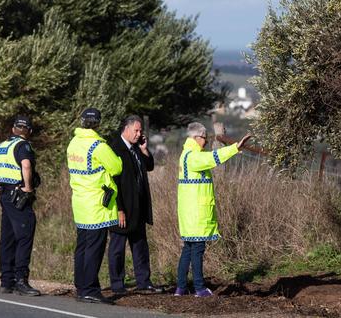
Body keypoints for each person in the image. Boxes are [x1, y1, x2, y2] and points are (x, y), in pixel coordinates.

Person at [174, 122, 251, 297]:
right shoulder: (193, 157)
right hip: (196, 214)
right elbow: (212, 158)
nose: (206, 142)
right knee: (197, 250)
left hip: (190, 213)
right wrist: (235, 148)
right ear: (195, 137)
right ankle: (200, 288)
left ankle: (181, 287)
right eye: (204, 138)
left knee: (188, 249)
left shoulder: (187, 155)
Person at [67, 108, 122, 305]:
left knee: (82, 247)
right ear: (98, 124)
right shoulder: (98, 145)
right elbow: (116, 167)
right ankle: (89, 289)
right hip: (96, 205)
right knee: (94, 249)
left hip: (80, 202)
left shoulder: (73, 143)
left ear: (82, 122)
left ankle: (81, 286)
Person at [107, 115, 163, 295]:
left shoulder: (136, 148)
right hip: (122, 208)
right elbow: (113, 181)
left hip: (138, 206)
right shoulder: (115, 149)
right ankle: (117, 284)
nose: (139, 134)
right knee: (117, 249)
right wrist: (119, 208)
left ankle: (144, 282)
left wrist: (145, 150)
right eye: (136, 131)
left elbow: (149, 166)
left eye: (141, 131)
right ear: (126, 129)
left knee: (140, 246)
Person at [0, 115, 40, 296]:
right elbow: (26, 165)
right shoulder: (23, 146)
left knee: (7, 237)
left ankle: (7, 281)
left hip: (5, 195)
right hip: (18, 195)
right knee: (25, 234)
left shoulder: (2, 146)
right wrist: (28, 189)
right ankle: (21, 280)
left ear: (14, 129)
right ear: (28, 131)